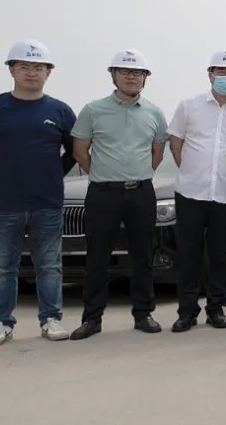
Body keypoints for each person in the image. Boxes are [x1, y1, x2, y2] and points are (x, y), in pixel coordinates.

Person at [0, 40, 77, 347]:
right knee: (2, 268)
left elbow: (75, 150)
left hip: (47, 203)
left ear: (48, 73)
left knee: (49, 266)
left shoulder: (60, 111)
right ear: (12, 70)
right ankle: (1, 323)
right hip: (3, 204)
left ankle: (51, 319)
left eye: (39, 67)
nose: (32, 73)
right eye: (24, 66)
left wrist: (54, 172)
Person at [70, 49, 169, 340]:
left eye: (137, 72)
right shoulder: (93, 110)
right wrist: (106, 174)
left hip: (141, 192)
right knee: (97, 257)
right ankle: (92, 318)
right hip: (103, 193)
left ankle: (143, 313)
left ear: (145, 78)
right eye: (125, 71)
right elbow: (80, 151)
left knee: (143, 255)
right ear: (113, 75)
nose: (131, 77)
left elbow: (157, 153)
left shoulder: (154, 113)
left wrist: (135, 174)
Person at [167, 50, 226, 332]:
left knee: (220, 255)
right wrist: (192, 170)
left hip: (224, 193)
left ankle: (216, 308)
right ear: (210, 75)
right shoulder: (189, 106)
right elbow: (175, 143)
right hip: (190, 192)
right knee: (189, 253)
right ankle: (187, 311)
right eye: (222, 72)